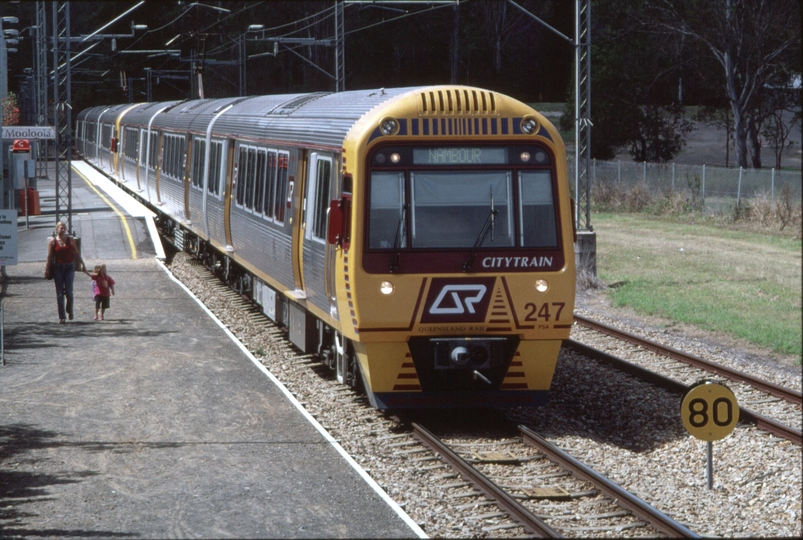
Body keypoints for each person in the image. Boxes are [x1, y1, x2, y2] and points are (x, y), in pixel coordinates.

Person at [46, 221, 86, 324]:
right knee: (59, 293)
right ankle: (62, 317)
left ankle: (70, 310)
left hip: (69, 267)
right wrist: (47, 268)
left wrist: (82, 264)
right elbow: (50, 256)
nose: (62, 230)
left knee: (69, 292)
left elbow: (76, 253)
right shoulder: (53, 241)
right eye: (60, 228)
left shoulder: (70, 240)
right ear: (57, 229)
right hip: (57, 268)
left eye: (64, 228)